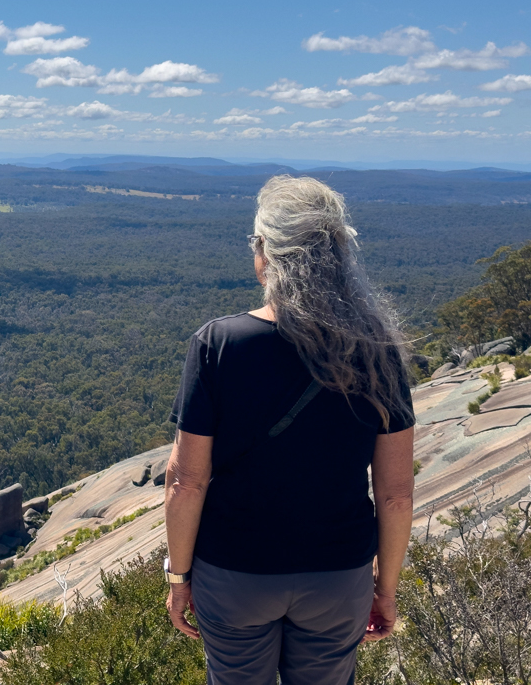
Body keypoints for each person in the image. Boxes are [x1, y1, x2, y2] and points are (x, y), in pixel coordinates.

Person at [164, 175, 415, 685]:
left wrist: (179, 577)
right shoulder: (379, 353)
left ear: (267, 255)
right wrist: (384, 587)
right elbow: (395, 496)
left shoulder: (220, 344)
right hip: (336, 576)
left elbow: (185, 481)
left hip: (234, 573)